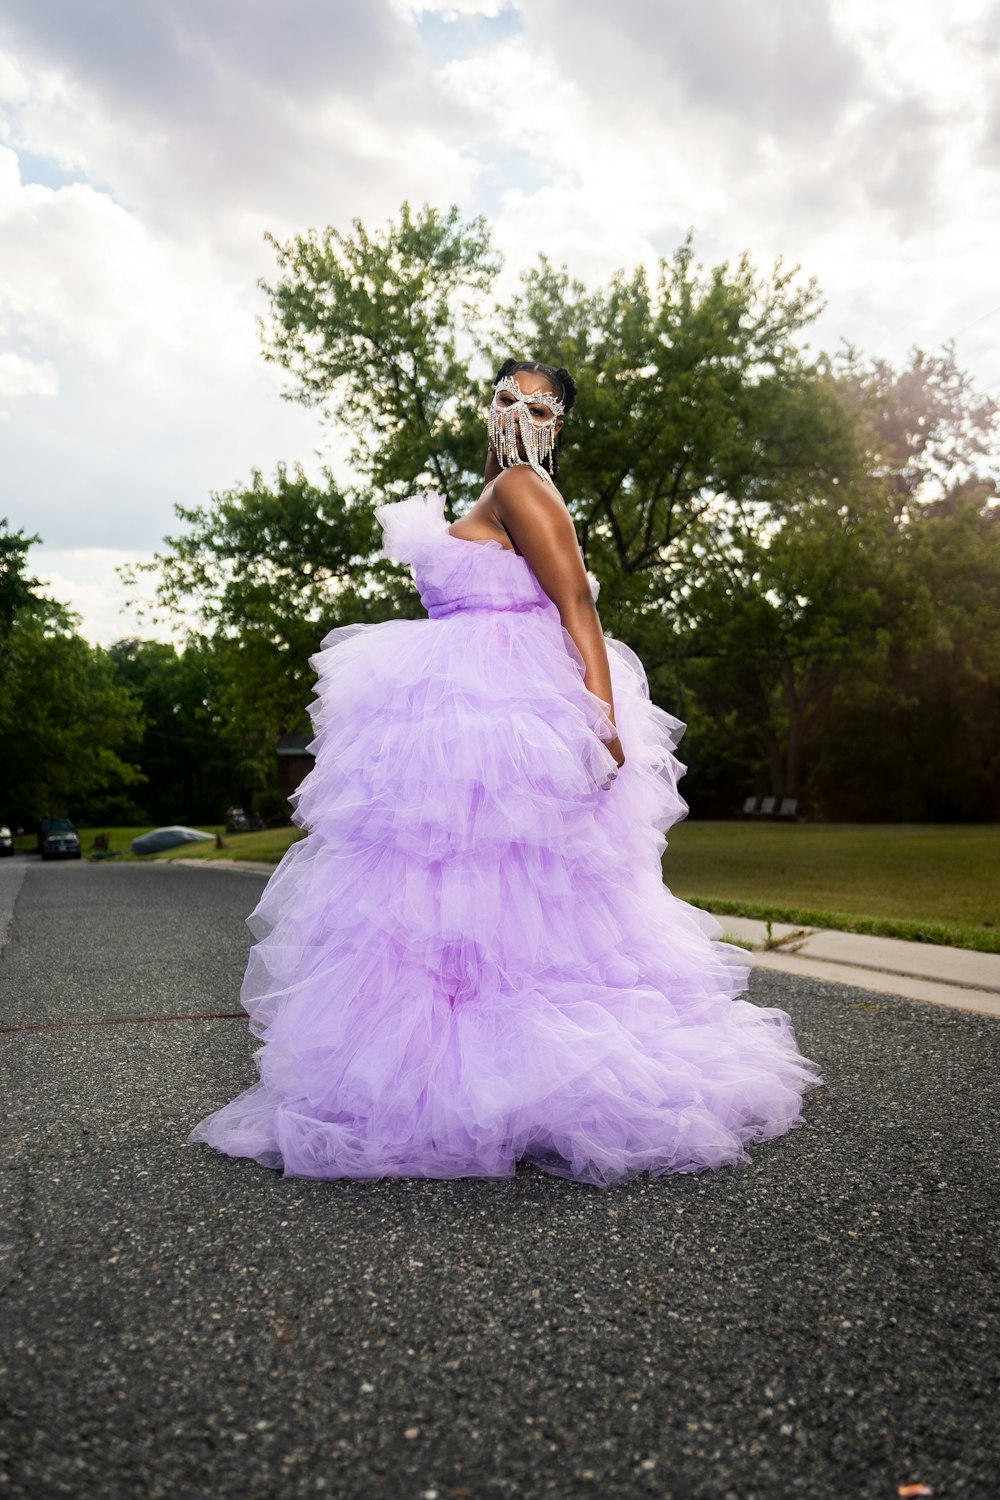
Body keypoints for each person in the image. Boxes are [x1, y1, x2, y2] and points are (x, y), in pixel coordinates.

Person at [188, 358, 822, 1188]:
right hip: (461, 717)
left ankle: (530, 1086)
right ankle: (466, 1083)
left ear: (557, 424)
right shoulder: (496, 494)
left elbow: (578, 606)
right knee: (448, 907)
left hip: (509, 711)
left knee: (513, 902)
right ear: (486, 409)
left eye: (540, 404)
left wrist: (602, 720)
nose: (520, 413)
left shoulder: (525, 485)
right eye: (506, 398)